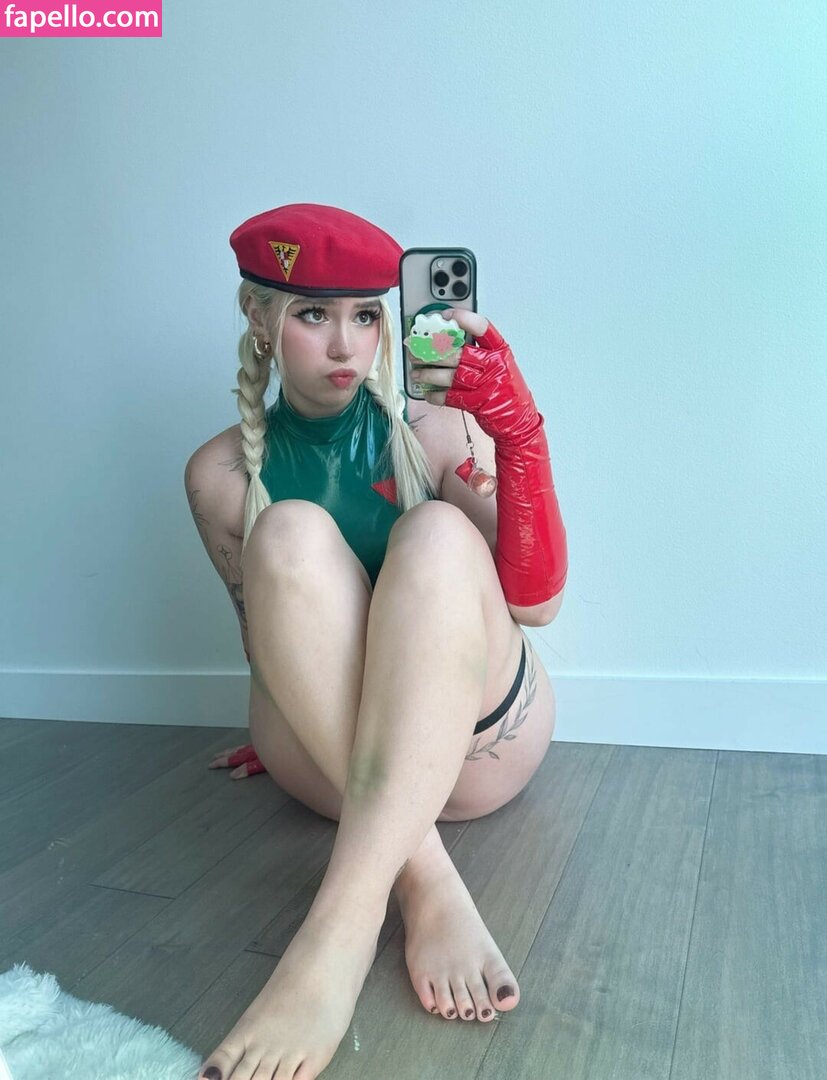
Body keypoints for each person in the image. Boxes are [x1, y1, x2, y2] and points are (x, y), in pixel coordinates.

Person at [185, 202, 567, 1080]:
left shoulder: (436, 429)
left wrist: (517, 434)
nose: (345, 346)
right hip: (329, 767)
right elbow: (261, 636)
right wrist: (286, 726)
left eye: (365, 315)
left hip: (474, 750)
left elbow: (537, 605)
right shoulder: (219, 475)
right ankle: (426, 880)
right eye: (312, 315)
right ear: (258, 317)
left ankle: (336, 933)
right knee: (286, 533)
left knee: (432, 533)